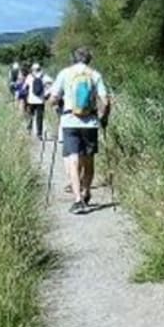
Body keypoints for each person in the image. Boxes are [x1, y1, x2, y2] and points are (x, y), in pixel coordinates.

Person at [50, 46, 111, 215]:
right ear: (89, 59)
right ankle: (86, 191)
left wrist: (56, 103)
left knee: (73, 160)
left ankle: (78, 200)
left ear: (73, 58)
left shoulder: (64, 73)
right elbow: (105, 101)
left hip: (69, 121)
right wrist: (104, 119)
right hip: (90, 122)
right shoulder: (95, 75)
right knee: (89, 160)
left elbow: (53, 99)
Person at [23, 60, 51, 140]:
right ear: (40, 68)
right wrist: (47, 93)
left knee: (30, 115)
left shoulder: (29, 76)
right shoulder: (44, 76)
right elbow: (51, 83)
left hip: (31, 100)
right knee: (40, 117)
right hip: (41, 101)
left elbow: (24, 87)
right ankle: (39, 134)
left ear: (32, 69)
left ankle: (29, 130)